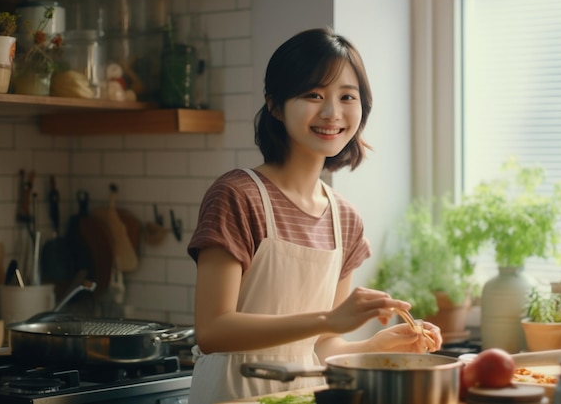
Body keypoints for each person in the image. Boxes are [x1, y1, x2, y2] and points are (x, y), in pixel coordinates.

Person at [187, 27, 443, 404]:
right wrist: (329, 318)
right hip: (232, 395)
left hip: (305, 396)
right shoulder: (237, 196)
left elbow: (321, 348)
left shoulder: (346, 219)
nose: (331, 112)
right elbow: (212, 331)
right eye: (313, 95)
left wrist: (377, 346)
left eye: (347, 97)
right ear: (274, 105)